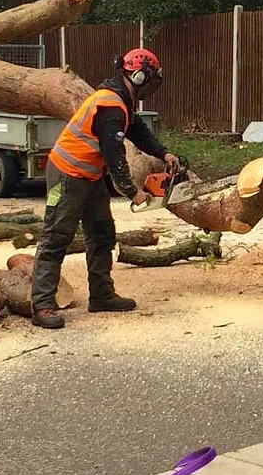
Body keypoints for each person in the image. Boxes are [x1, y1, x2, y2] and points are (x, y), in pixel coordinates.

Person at [30, 48, 182, 330]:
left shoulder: (122, 101)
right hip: (66, 175)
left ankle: (101, 294)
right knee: (56, 236)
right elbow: (115, 155)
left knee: (102, 233)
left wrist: (164, 153)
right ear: (137, 76)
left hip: (88, 175)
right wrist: (132, 191)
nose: (150, 85)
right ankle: (42, 304)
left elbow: (137, 131)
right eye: (148, 79)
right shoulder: (109, 104)